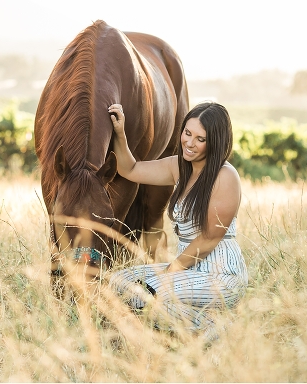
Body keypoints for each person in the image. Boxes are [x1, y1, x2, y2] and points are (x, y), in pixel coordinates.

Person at [106, 101, 248, 341]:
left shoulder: (226, 176)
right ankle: (207, 321)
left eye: (200, 139)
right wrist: (120, 133)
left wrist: (171, 271)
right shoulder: (178, 166)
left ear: (216, 142)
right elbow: (130, 169)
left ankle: (216, 329)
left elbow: (210, 237)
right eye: (187, 133)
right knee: (119, 283)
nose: (190, 143)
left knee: (146, 295)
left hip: (221, 275)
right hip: (188, 270)